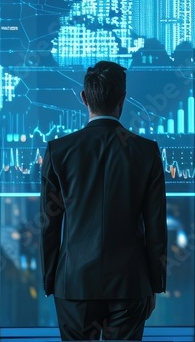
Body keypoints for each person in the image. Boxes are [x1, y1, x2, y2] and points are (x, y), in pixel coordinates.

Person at [40, 61, 168, 341]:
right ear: (123, 98)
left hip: (73, 284)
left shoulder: (59, 151)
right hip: (130, 284)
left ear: (84, 98)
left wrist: (51, 281)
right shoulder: (146, 152)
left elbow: (49, 225)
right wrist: (154, 284)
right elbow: (156, 225)